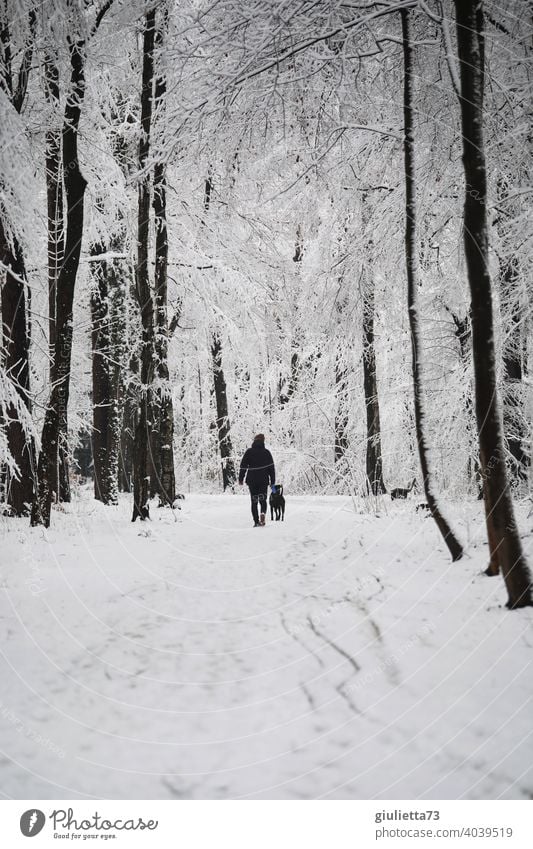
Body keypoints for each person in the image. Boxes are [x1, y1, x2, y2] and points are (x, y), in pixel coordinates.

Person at [238, 434, 275, 527]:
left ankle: (256, 521)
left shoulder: (249, 452)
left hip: (252, 480)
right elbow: (271, 468)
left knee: (254, 501)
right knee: (263, 500)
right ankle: (262, 513)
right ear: (263, 442)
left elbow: (243, 466)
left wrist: (241, 478)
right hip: (263, 480)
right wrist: (272, 482)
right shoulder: (267, 453)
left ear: (254, 441)